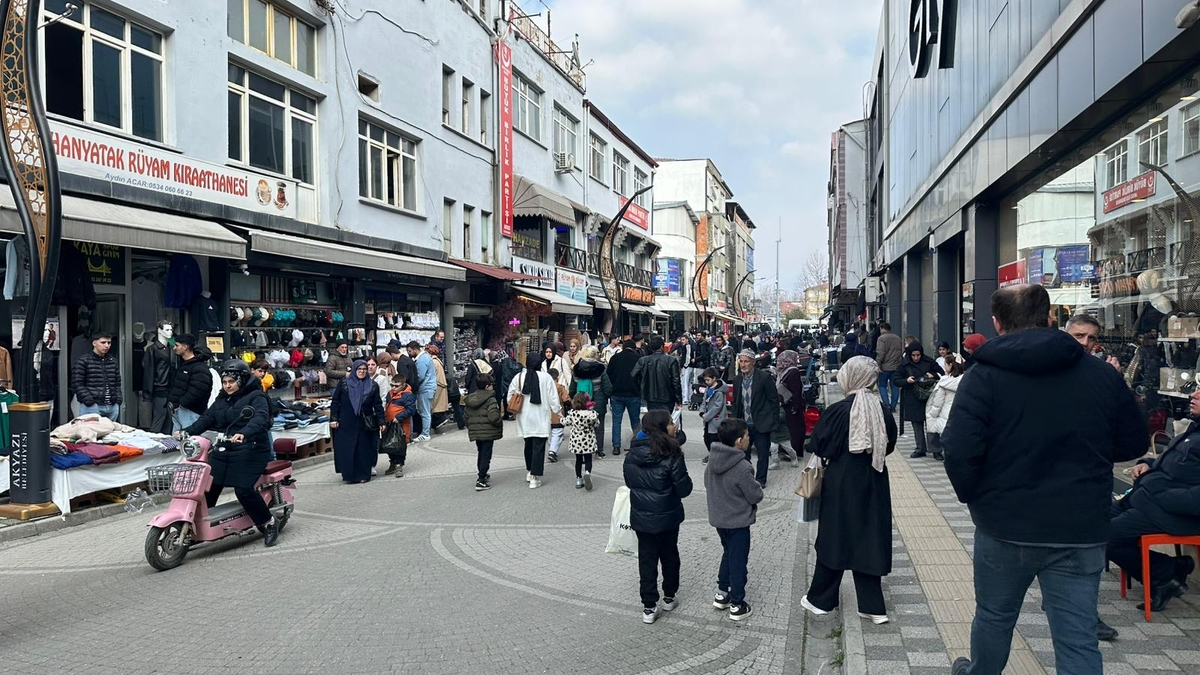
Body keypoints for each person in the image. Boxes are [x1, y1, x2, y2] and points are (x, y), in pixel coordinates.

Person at [942, 284, 1147, 675]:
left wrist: (976, 497)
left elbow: (959, 448)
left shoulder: (983, 376)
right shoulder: (1101, 375)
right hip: (1080, 525)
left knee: (994, 617)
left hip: (1005, 523)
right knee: (1077, 635)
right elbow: (1132, 441)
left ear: (997, 324)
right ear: (1050, 318)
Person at [801, 356, 897, 624]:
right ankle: (872, 606)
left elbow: (819, 444)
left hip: (842, 481)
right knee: (869, 537)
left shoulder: (839, 411)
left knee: (835, 537)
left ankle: (822, 600)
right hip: (875, 479)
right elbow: (889, 446)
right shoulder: (882, 409)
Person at [1104, 387, 1200, 628]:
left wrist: (1164, 496)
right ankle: (1169, 570)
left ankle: (1164, 573)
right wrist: (1147, 464)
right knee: (1095, 522)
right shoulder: (1194, 428)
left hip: (1170, 512)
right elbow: (1173, 462)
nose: (1193, 396)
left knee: (1104, 537)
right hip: (1146, 498)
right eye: (1196, 391)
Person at [180, 360, 279, 547]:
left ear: (241, 381)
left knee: (243, 489)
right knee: (209, 485)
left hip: (252, 449)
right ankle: (201, 526)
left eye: (231, 382)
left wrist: (245, 433)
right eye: (225, 382)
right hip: (226, 448)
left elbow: (260, 418)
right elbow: (206, 419)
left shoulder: (256, 396)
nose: (227, 386)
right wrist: (187, 431)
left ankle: (268, 523)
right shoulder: (222, 399)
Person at [623, 409, 693, 624]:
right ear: (662, 428)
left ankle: (648, 606)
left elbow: (629, 483)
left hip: (642, 517)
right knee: (670, 555)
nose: (675, 426)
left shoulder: (632, 455)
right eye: (671, 423)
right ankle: (669, 596)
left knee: (647, 559)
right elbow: (684, 489)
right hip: (667, 517)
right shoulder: (671, 454)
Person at [704, 416, 764, 622]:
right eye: (747, 436)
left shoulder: (712, 461)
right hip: (738, 521)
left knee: (728, 553)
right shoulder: (742, 466)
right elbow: (755, 495)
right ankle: (737, 604)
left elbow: (707, 484)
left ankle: (722, 592)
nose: (749, 439)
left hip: (719, 519)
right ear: (739, 441)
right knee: (738, 560)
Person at [507, 354, 561, 489]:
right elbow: (553, 398)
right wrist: (558, 411)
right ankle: (534, 477)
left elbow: (509, 397)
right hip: (541, 416)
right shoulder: (546, 377)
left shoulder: (518, 377)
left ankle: (529, 471)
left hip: (524, 417)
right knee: (538, 446)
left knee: (528, 445)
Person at [330, 360, 386, 484]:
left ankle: (363, 475)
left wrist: (382, 421)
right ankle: (349, 475)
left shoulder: (372, 385)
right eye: (359, 369)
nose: (362, 371)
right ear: (354, 370)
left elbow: (377, 404)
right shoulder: (344, 383)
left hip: (365, 422)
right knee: (348, 449)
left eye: (364, 369)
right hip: (346, 422)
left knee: (364, 449)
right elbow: (335, 401)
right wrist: (334, 418)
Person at [731, 349, 781, 487]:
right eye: (741, 361)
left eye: (746, 361)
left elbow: (773, 400)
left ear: (753, 362)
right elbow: (735, 403)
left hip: (761, 423)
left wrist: (774, 421)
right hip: (744, 425)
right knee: (743, 454)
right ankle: (747, 478)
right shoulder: (737, 380)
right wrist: (735, 423)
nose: (743, 364)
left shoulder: (763, 378)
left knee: (762, 454)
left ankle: (761, 480)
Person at [895, 341, 943, 458]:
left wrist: (933, 375)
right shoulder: (904, 364)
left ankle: (936, 450)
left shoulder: (929, 361)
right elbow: (896, 380)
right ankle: (920, 448)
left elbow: (941, 373)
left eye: (918, 355)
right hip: (912, 396)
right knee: (917, 423)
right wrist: (906, 381)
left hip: (929, 396)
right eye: (913, 355)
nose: (916, 358)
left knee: (931, 423)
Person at [571, 346, 613, 458]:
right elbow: (607, 387)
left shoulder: (576, 369)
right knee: (599, 427)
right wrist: (606, 397)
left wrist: (574, 399)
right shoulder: (601, 368)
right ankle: (599, 450)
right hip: (598, 402)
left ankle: (585, 450)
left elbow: (572, 387)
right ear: (594, 355)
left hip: (581, 402)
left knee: (583, 427)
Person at [464, 372, 502, 491]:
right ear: (487, 386)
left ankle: (482, 473)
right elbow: (493, 417)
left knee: (481, 452)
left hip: (476, 431)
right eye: (491, 385)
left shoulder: (471, 399)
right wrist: (499, 421)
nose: (492, 387)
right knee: (486, 454)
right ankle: (481, 479)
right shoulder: (490, 399)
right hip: (488, 432)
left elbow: (465, 416)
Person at [72, 331, 122, 421]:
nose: (106, 346)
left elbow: (117, 383)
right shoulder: (83, 361)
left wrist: (117, 401)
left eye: (109, 343)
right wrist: (90, 402)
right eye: (103, 342)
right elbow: (77, 384)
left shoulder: (112, 361)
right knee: (91, 433)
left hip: (112, 405)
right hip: (92, 405)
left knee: (110, 433)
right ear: (94, 343)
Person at [166, 334, 212, 431]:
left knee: (188, 442)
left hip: (190, 412)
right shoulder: (185, 364)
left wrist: (181, 403)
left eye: (177, 345)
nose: (174, 348)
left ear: (185, 347)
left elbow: (198, 390)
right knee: (177, 442)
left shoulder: (199, 367)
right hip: (179, 410)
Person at [607, 339, 642, 456]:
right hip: (633, 393)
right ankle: (636, 445)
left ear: (623, 347)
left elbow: (609, 375)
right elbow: (641, 376)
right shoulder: (638, 358)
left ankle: (616, 446)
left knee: (616, 421)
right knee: (635, 421)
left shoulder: (615, 358)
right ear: (634, 348)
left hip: (617, 393)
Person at [631, 335, 683, 413]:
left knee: (654, 420)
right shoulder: (671, 360)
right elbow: (676, 381)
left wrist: (641, 388)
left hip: (650, 396)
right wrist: (678, 400)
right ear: (662, 346)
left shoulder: (643, 360)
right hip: (667, 397)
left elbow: (633, 375)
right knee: (666, 420)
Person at [924, 360, 963, 461]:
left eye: (945, 364)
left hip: (945, 411)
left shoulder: (944, 382)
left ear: (950, 366)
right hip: (959, 411)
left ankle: (946, 455)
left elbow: (938, 401)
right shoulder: (965, 380)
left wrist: (932, 414)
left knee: (944, 434)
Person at [774, 349, 807, 463]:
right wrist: (797, 406)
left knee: (789, 429)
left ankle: (787, 451)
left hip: (785, 404)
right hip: (793, 406)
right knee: (797, 429)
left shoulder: (783, 372)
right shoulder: (794, 372)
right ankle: (794, 451)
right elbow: (796, 391)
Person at [562, 392, 599, 490]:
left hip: (576, 441)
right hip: (589, 441)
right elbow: (597, 424)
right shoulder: (592, 414)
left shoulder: (573, 414)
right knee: (588, 459)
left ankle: (578, 479)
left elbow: (565, 422)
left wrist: (560, 417)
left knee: (578, 460)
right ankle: (587, 473)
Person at [382, 373, 416, 477]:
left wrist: (399, 417)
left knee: (400, 445)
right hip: (390, 424)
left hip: (401, 425)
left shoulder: (408, 395)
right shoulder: (390, 394)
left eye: (396, 386)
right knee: (389, 444)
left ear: (403, 385)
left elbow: (411, 410)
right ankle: (392, 462)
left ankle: (399, 465)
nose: (393, 388)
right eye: (392, 385)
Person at [699, 366, 728, 465]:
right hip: (708, 419)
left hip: (716, 420)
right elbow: (704, 401)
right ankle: (712, 454)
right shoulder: (708, 389)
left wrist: (707, 416)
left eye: (708, 380)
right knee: (706, 438)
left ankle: (716, 456)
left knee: (714, 439)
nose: (706, 382)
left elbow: (717, 406)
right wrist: (702, 411)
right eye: (705, 380)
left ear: (714, 378)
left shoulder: (719, 392)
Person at [874, 322, 903, 409]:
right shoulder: (897, 338)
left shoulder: (881, 338)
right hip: (896, 366)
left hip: (884, 367)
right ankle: (893, 405)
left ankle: (886, 404)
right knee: (894, 386)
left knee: (882, 385)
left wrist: (877, 364)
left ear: (883, 328)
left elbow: (880, 353)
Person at [411, 341, 436, 442]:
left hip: (425, 388)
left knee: (425, 412)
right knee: (426, 411)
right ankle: (425, 432)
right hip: (428, 387)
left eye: (409, 351)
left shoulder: (422, 359)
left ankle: (425, 433)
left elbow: (420, 376)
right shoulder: (426, 357)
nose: (409, 353)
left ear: (415, 349)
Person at [427, 344, 452, 431]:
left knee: (435, 405)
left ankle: (438, 421)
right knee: (438, 405)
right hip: (441, 384)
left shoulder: (433, 362)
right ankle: (439, 420)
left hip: (438, 385)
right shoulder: (438, 361)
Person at [547, 367, 570, 463]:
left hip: (545, 414)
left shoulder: (543, 387)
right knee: (557, 433)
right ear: (558, 376)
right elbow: (566, 400)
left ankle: (551, 448)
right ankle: (552, 451)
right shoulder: (560, 387)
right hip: (557, 413)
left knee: (549, 433)